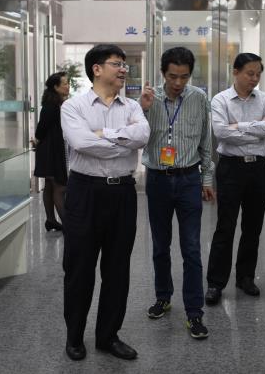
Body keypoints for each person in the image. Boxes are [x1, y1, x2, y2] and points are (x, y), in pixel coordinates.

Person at [60, 44, 150, 361]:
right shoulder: (73, 107)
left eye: (125, 64)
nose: (123, 69)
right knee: (79, 269)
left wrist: (102, 134)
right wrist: (122, 141)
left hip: (123, 193)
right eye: (117, 64)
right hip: (85, 192)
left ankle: (108, 336)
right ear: (97, 69)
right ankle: (74, 337)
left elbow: (143, 137)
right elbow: (81, 142)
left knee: (117, 269)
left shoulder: (132, 106)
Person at [139, 46, 214, 339]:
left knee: (192, 247)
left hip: (189, 180)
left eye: (184, 77)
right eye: (172, 76)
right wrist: (143, 109)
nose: (178, 83)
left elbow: (206, 142)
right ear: (163, 73)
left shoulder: (199, 99)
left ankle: (194, 312)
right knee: (160, 245)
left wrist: (207, 179)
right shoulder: (149, 99)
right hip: (158, 179)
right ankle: (163, 297)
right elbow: (137, 139)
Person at [204, 53, 265, 305]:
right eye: (250, 73)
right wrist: (256, 128)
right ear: (235, 72)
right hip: (231, 168)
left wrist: (239, 126)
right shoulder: (220, 99)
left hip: (259, 168)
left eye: (258, 74)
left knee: (253, 226)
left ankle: (245, 277)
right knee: (225, 226)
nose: (254, 79)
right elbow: (221, 132)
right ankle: (215, 283)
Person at [32, 72, 69, 232]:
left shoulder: (58, 103)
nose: (68, 86)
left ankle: (51, 220)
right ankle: (68, 226)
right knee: (59, 186)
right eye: (65, 83)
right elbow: (41, 128)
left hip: (52, 149)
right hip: (51, 151)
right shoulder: (51, 105)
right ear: (56, 87)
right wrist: (37, 140)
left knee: (49, 185)